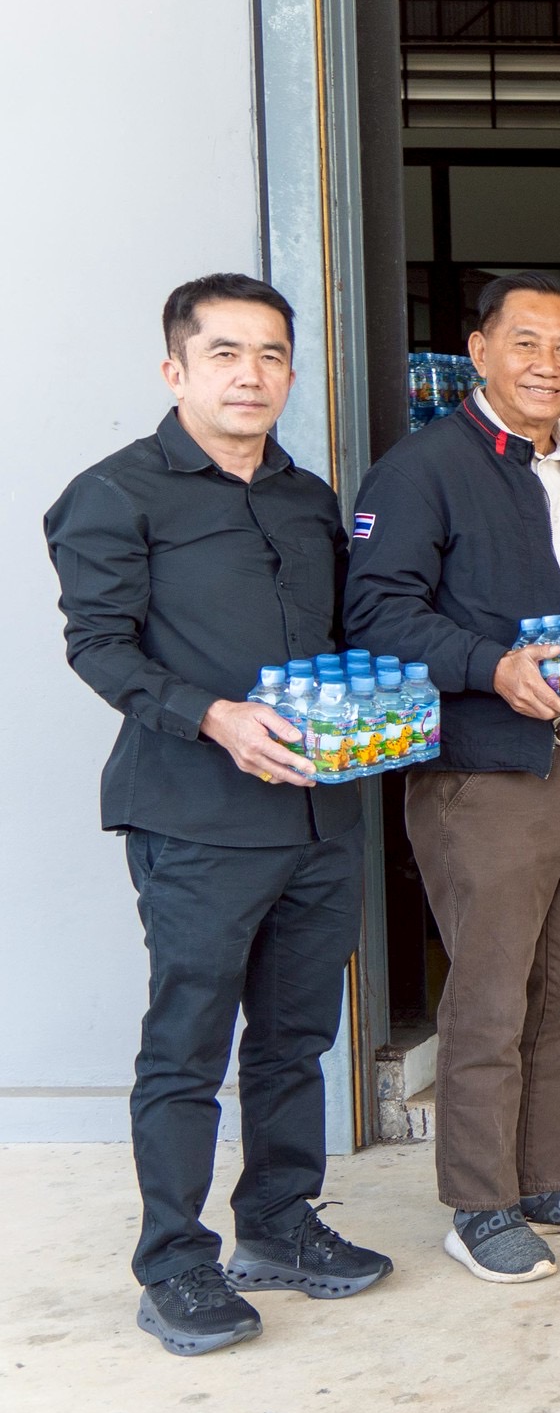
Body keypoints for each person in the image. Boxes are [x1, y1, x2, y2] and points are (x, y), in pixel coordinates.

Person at [45, 274, 392, 1354]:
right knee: (188, 1046)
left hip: (320, 816)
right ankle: (175, 1266)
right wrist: (211, 718)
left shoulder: (306, 496)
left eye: (272, 355)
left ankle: (280, 1227)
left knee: (296, 1039)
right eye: (227, 354)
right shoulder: (115, 493)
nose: (252, 375)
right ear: (176, 370)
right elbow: (99, 646)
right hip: (196, 817)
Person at [345, 271, 560, 1282]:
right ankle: (479, 1203)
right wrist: (489, 668)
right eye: (527, 343)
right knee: (491, 996)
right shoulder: (425, 469)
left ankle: (549, 1178)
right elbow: (378, 612)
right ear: (479, 350)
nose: (550, 364)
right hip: (485, 769)